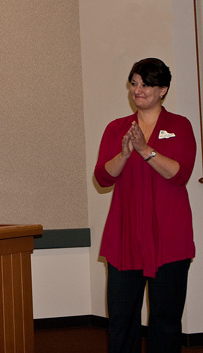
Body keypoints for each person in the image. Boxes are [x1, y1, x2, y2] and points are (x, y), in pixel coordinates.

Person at [94, 58, 196, 353]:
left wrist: (145, 150)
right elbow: (102, 177)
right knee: (122, 319)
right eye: (134, 83)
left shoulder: (180, 125)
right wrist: (125, 154)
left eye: (147, 84)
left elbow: (180, 174)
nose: (138, 90)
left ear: (163, 89)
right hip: (125, 236)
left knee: (165, 320)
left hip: (169, 237)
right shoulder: (117, 128)